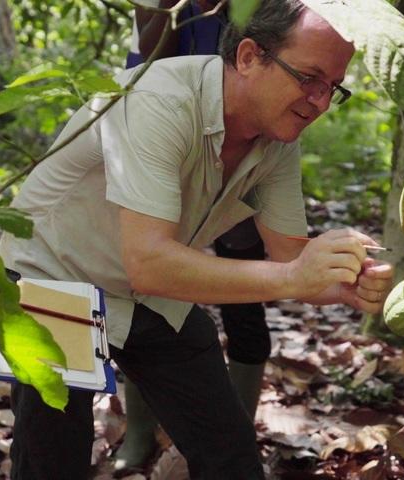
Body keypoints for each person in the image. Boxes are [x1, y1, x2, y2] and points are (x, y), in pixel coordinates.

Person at [0, 1, 394, 478]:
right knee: (52, 458)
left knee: (230, 454)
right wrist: (294, 275)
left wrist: (349, 281)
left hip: (145, 291)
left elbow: (292, 257)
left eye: (333, 87)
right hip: (53, 275)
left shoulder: (278, 137)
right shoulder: (160, 99)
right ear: (249, 57)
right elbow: (152, 261)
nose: (321, 102)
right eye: (308, 78)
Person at [117, 0, 278, 471]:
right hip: (170, 166)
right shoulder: (169, 6)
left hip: (239, 167)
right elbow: (142, 69)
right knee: (142, 299)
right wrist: (169, 10)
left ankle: (236, 434)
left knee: (245, 305)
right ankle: (140, 435)